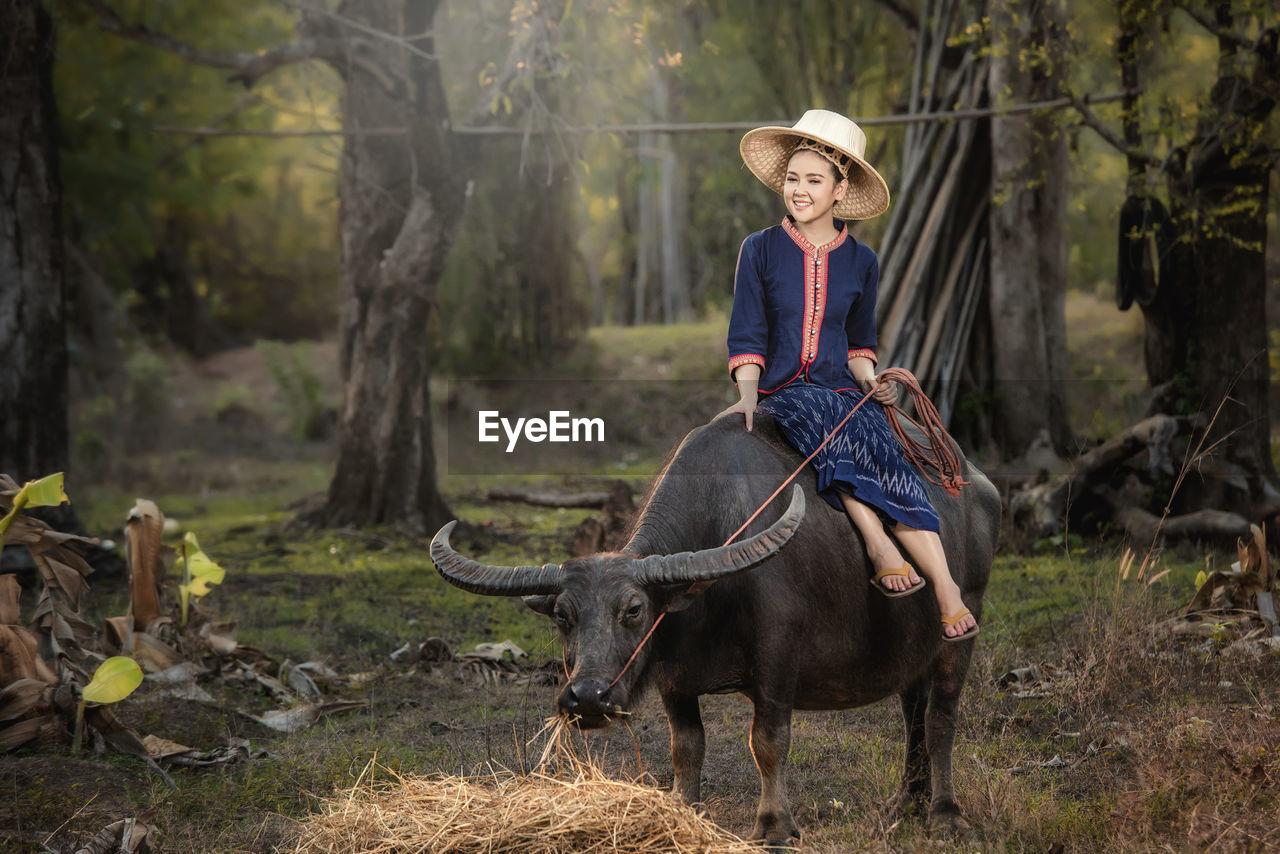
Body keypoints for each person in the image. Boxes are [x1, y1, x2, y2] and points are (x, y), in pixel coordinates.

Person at [715, 109, 978, 641]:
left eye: (814, 180)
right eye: (793, 178)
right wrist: (747, 395)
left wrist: (870, 380)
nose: (800, 190)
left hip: (841, 390)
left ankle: (947, 589)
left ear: (840, 190)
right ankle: (879, 546)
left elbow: (860, 345)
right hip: (784, 393)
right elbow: (747, 332)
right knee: (823, 419)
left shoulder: (863, 260)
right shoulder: (759, 249)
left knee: (887, 452)